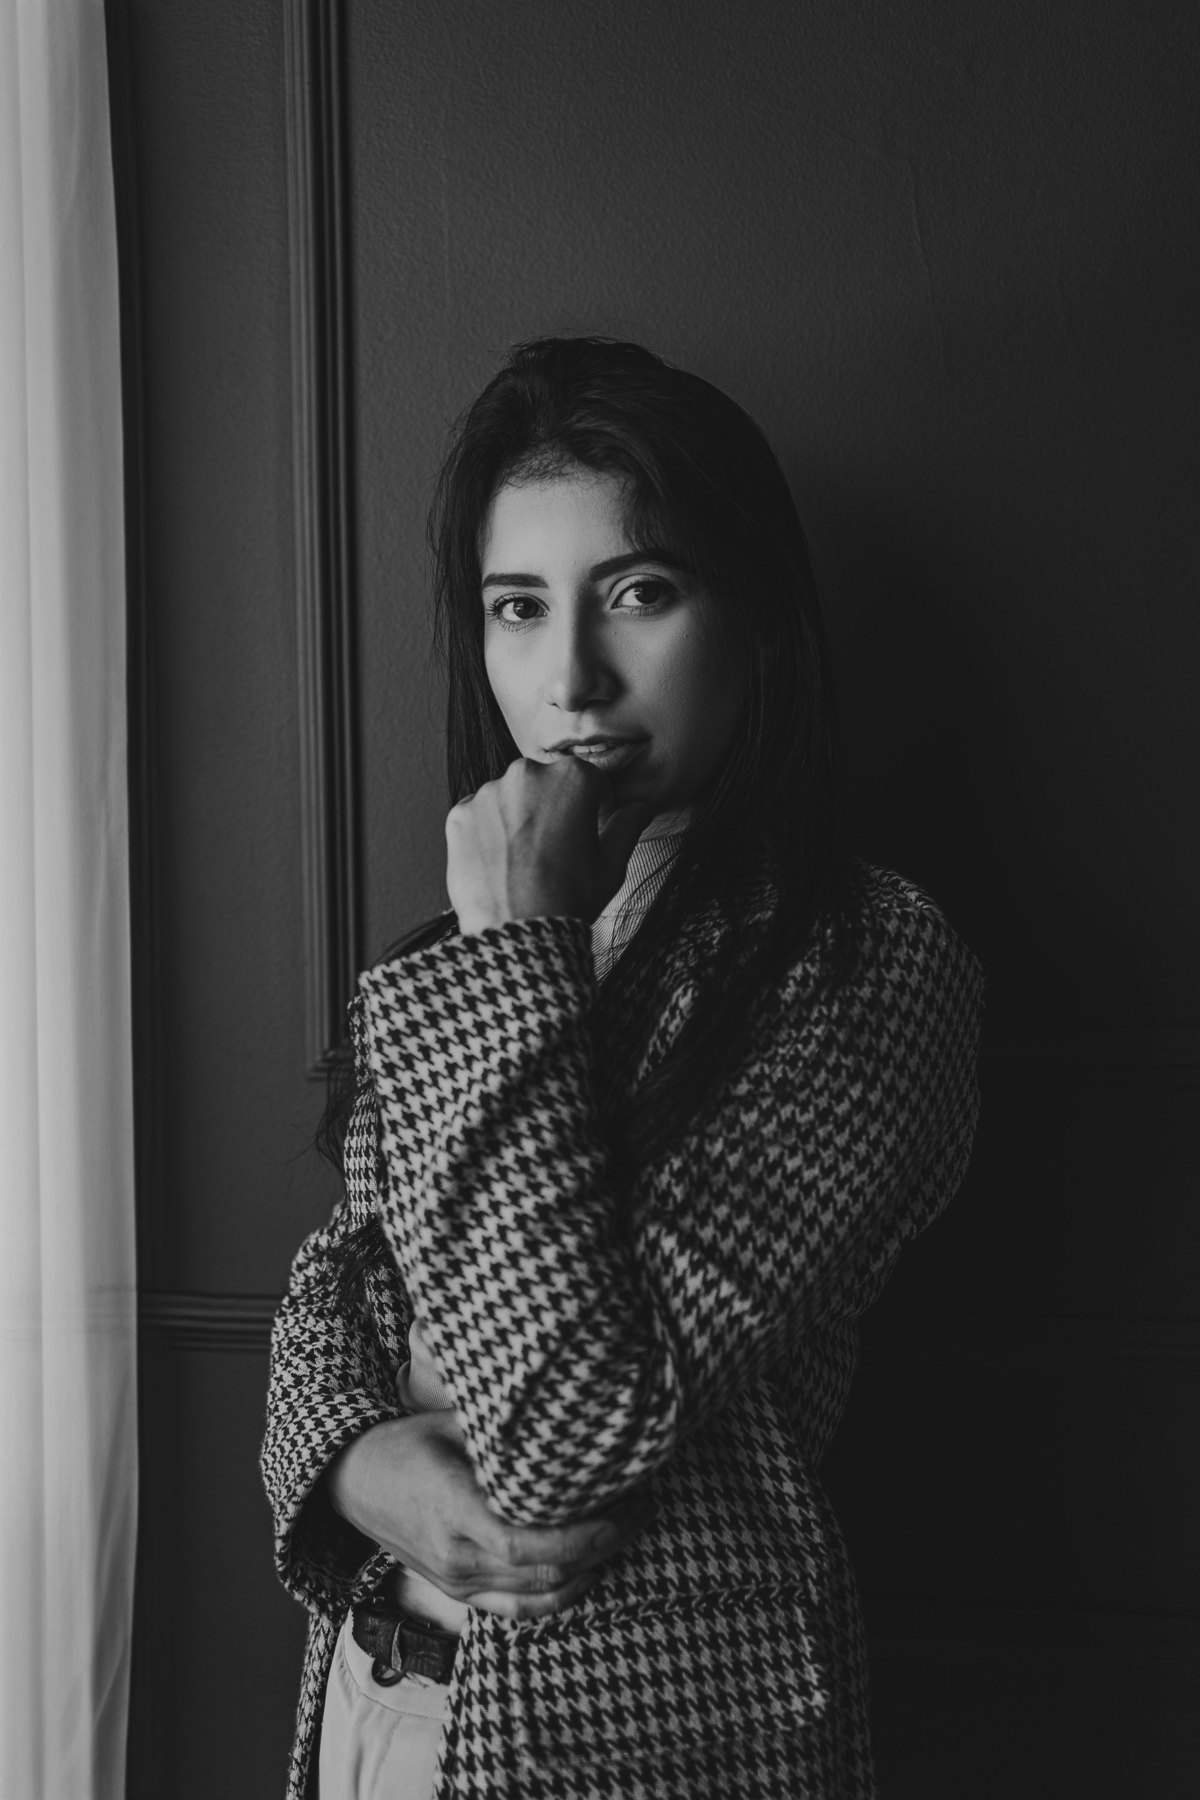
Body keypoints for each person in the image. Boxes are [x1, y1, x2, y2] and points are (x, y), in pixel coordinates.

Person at [261, 335, 984, 1800]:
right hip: (382, 1700)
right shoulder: (457, 954)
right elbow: (330, 1297)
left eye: (640, 593)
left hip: (649, 1745)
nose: (573, 676)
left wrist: (516, 953)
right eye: (518, 608)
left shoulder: (866, 964)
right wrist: (349, 1465)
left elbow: (564, 1434)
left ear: (754, 619)